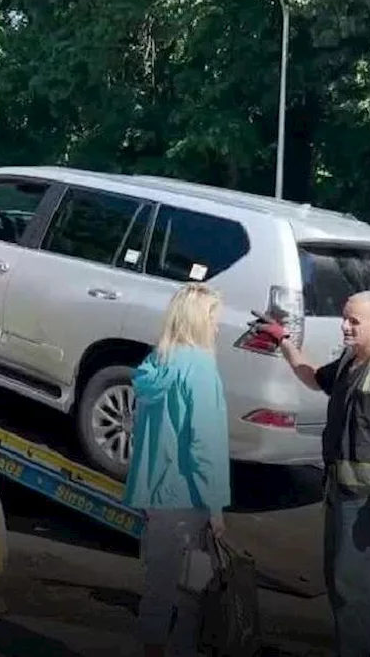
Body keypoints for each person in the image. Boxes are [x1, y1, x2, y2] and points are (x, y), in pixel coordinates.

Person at [251, 291, 370, 657]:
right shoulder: (349, 361)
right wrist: (283, 339)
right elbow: (312, 377)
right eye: (344, 318)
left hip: (367, 500)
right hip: (338, 492)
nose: (344, 326)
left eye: (353, 321)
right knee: (339, 581)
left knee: (354, 587)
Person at [124, 282, 232, 657]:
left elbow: (144, 436)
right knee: (190, 595)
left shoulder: (155, 363)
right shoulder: (200, 369)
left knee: (157, 589)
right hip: (188, 496)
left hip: (155, 494)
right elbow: (204, 444)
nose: (218, 326)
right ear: (201, 321)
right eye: (215, 318)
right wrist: (216, 507)